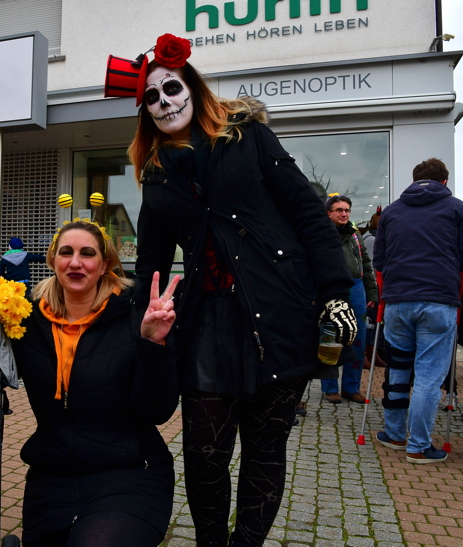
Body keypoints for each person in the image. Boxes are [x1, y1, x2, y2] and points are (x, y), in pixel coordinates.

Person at [113, 33, 356, 546]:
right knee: (204, 454)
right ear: (145, 113)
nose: (164, 101)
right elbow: (152, 266)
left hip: (280, 311)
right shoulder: (155, 177)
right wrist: (131, 325)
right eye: (152, 97)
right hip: (209, 324)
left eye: (171, 88)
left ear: (192, 87)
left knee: (265, 450)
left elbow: (308, 214)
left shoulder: (247, 137)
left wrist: (335, 292)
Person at [9, 219, 181, 547]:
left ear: (104, 265)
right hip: (52, 477)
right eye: (66, 252)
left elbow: (156, 411)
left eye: (87, 253)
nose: (75, 262)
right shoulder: (26, 321)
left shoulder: (134, 317)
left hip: (128, 472)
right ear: (52, 261)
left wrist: (154, 345)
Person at [372, 158, 463, 464]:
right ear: (444, 181)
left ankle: (394, 433)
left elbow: (379, 259)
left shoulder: (391, 211)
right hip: (438, 299)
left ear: (413, 180)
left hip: (398, 300)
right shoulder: (456, 208)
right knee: (429, 375)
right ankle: (418, 445)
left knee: (398, 368)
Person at [321, 194, 378, 404]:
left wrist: (371, 293)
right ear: (329, 213)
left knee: (358, 339)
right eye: (339, 210)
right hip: (332, 288)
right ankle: (330, 387)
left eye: (347, 210)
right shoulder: (322, 234)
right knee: (331, 337)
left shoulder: (355, 235)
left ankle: (351, 387)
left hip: (356, 287)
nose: (344, 214)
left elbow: (366, 265)